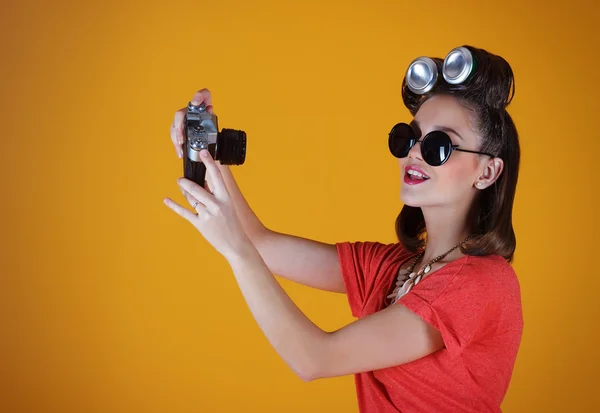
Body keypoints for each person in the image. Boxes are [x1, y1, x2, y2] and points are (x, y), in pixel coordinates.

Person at [164, 44, 523, 413]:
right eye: (408, 137)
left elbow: (316, 358)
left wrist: (236, 251)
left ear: (488, 171)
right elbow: (260, 243)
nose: (413, 152)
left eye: (439, 145)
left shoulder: (483, 284)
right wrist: (206, 149)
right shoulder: (390, 268)